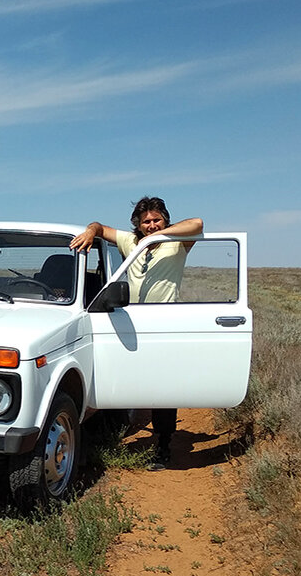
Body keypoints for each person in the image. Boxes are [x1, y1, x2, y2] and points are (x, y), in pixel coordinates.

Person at [69, 196, 203, 470]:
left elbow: (197, 223)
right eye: (146, 222)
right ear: (138, 225)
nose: (152, 225)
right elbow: (99, 227)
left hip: (165, 322)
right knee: (127, 375)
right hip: (132, 319)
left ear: (165, 220)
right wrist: (91, 231)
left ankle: (163, 444)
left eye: (157, 220)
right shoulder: (129, 241)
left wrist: (157, 237)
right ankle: (112, 430)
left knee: (163, 388)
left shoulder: (177, 242)